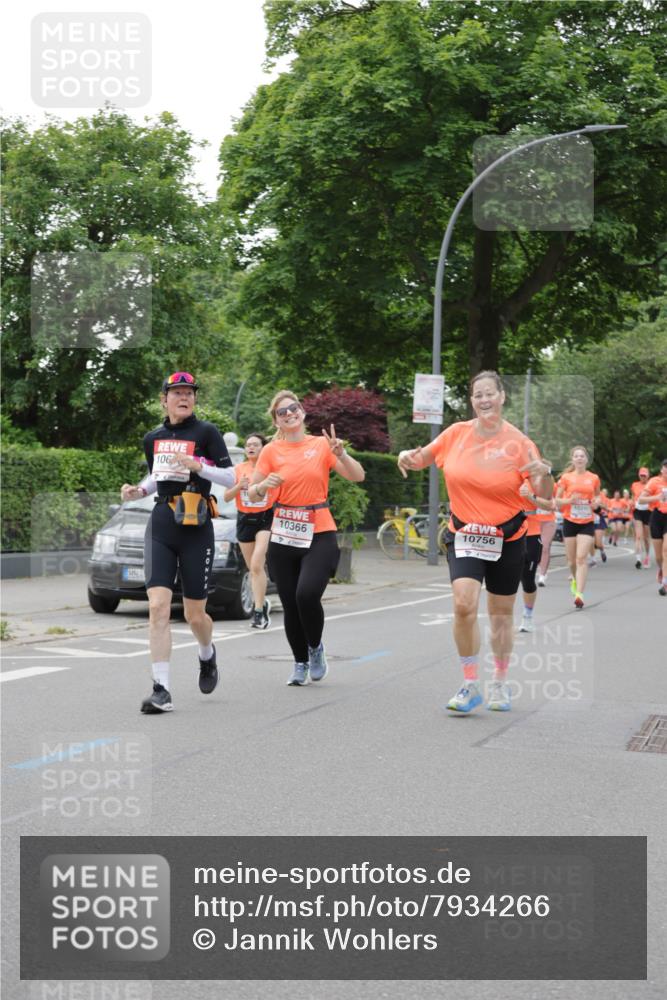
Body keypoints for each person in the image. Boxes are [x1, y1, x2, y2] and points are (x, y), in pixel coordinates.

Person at [398, 371, 553, 714]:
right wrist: (407, 454)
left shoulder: (520, 443)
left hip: (507, 538)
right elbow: (422, 457)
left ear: (502, 397)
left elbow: (546, 499)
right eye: (477, 395)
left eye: (490, 394)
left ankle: (498, 682)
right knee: (464, 605)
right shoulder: (456, 434)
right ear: (472, 401)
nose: (484, 400)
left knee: (500, 615)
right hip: (465, 533)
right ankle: (470, 684)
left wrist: (546, 475)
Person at [121, 372, 235, 713]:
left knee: (194, 614)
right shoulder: (153, 437)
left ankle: (207, 653)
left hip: (195, 525)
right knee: (157, 607)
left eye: (189, 393)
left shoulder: (207, 432)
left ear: (194, 399)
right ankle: (161, 690)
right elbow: (157, 474)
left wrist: (199, 466)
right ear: (164, 399)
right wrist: (138, 491)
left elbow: (231, 476)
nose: (183, 397)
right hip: (161, 523)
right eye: (177, 393)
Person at [248, 391, 365, 685]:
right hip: (284, 532)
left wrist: (342, 454)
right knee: (290, 603)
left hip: (319, 530)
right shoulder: (271, 451)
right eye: (282, 412)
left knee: (306, 595)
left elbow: (357, 476)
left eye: (293, 408)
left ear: (302, 411)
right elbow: (251, 492)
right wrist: (263, 485)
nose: (289, 413)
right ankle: (299, 663)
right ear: (276, 420)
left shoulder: (322, 445)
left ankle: (315, 648)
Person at [224, 433, 273, 629]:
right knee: (253, 569)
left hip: (265, 518)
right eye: (248, 445)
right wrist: (239, 486)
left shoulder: (270, 469)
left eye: (255, 445)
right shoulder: (238, 469)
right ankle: (263, 602)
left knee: (256, 564)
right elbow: (227, 497)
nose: (251, 448)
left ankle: (259, 612)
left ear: (263, 448)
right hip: (244, 519)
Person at [553, 446, 601, 610]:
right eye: (576, 456)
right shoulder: (566, 478)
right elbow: (557, 500)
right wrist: (569, 501)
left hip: (587, 521)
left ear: (587, 460)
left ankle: (579, 594)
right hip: (570, 521)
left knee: (581, 558)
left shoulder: (593, 478)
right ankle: (574, 579)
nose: (579, 458)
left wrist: (596, 502)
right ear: (573, 459)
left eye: (582, 456)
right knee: (572, 561)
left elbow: (597, 496)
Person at [517, 485, 555, 632]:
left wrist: (531, 496)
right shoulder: (502, 471)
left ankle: (527, 615)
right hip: (505, 533)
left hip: (530, 533)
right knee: (503, 578)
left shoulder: (537, 479)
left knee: (527, 579)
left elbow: (549, 505)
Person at [637, 459, 667, 595]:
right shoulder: (654, 481)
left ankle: (665, 583)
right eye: (666, 467)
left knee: (666, 551)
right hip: (656, 516)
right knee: (659, 556)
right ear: (662, 470)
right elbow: (641, 499)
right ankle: (661, 569)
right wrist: (657, 497)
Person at [630, 467, 652, 569]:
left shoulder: (651, 484)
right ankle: (638, 559)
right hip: (637, 511)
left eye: (645, 475)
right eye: (641, 475)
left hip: (648, 512)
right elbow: (633, 496)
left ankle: (647, 556)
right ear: (639, 475)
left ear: (648, 475)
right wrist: (632, 502)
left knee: (646, 538)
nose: (643, 477)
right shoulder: (634, 485)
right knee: (639, 536)